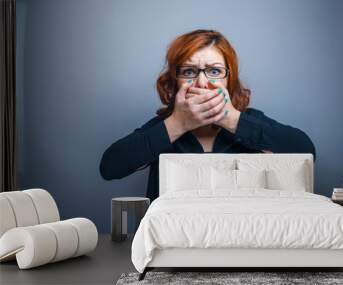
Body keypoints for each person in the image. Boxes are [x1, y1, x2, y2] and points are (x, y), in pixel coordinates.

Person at [99, 29, 316, 202]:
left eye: (214, 71)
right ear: (175, 80)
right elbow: (110, 167)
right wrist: (178, 124)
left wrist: (230, 119)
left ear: (228, 79)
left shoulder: (250, 120)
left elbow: (306, 151)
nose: (202, 83)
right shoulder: (164, 125)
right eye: (189, 72)